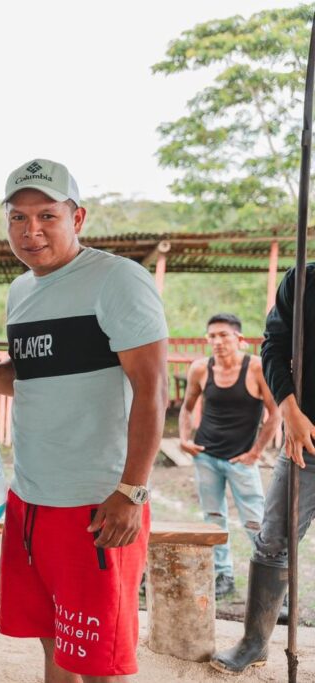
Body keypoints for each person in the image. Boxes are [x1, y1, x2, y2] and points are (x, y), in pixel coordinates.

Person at [0, 159, 168, 682]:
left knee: (99, 660)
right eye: (18, 217)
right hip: (32, 498)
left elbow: (153, 389)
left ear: (77, 218)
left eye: (47, 216)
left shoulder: (116, 280)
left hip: (98, 503)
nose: (31, 230)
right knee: (54, 644)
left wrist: (132, 491)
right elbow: (29, 375)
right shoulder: (21, 291)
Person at [210, 264, 315, 674]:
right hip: (304, 440)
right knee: (272, 541)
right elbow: (274, 345)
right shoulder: (302, 280)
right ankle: (254, 642)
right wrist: (289, 410)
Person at [178, 313, 280, 599]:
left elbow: (276, 413)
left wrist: (255, 453)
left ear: (239, 338)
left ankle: (272, 582)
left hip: (241, 460)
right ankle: (224, 575)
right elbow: (187, 407)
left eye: (224, 335)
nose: (217, 341)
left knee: (256, 522)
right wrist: (184, 439)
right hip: (206, 456)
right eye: (212, 336)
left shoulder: (256, 368)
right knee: (213, 519)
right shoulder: (200, 368)